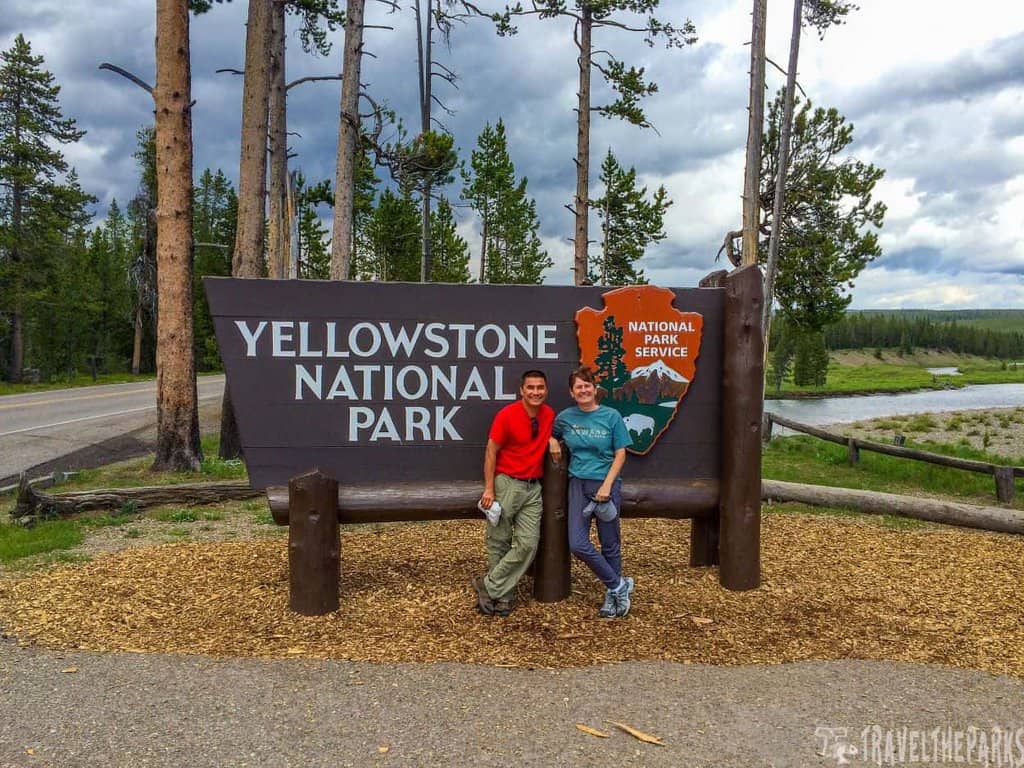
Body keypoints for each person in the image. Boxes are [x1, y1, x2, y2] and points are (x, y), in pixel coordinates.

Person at [472, 369, 560, 617]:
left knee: (528, 545)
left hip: (533, 489)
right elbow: (491, 451)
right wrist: (489, 488)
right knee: (498, 541)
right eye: (530, 388)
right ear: (521, 390)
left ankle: (487, 585)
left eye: (540, 387)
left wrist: (551, 439)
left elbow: (544, 435)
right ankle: (503, 597)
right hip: (506, 484)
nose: (535, 392)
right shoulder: (507, 416)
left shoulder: (548, 415)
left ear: (546, 390)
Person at [553, 366, 634, 618]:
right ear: (571, 391)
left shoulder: (611, 416)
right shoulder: (565, 417)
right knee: (577, 543)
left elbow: (621, 453)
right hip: (578, 484)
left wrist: (608, 485)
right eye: (579, 386)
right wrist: (552, 441)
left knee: (610, 543)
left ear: (595, 388)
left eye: (587, 385)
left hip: (607, 485)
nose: (584, 390)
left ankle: (612, 595)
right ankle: (619, 585)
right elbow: (550, 434)